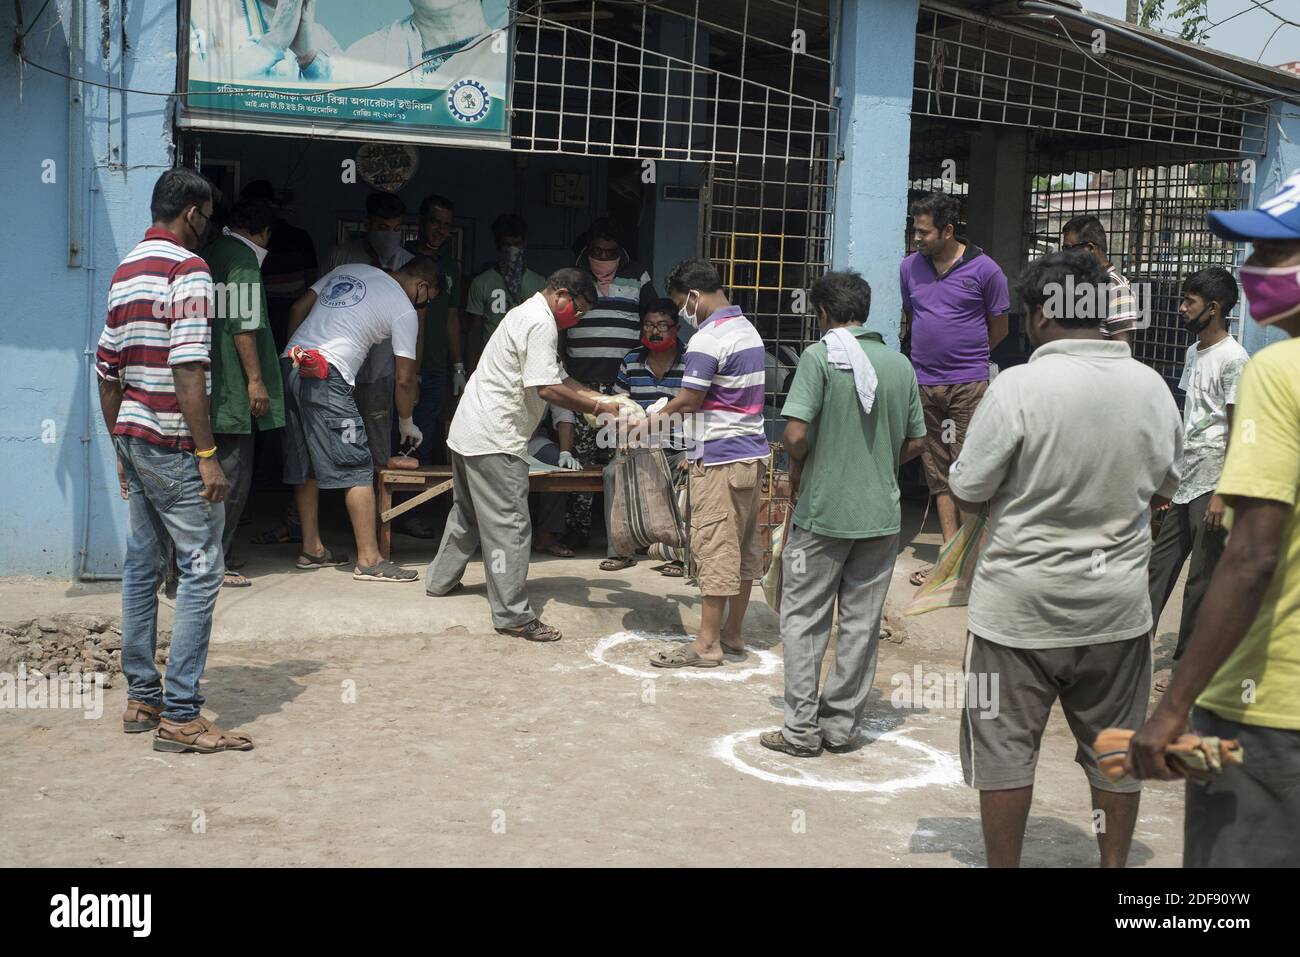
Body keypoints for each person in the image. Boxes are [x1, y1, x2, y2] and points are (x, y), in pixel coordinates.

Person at [947, 249, 1182, 868]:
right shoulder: (1151, 386)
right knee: (1114, 752)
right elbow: (1167, 488)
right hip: (1117, 613)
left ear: (1042, 315)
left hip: (1017, 612)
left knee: (1005, 752)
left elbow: (968, 491)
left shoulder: (1017, 386)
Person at [1127, 172, 1300, 867]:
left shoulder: (1272, 369)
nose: (1254, 270)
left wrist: (1175, 707)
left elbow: (1254, 558)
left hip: (1269, 707)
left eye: (1274, 252)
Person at [95, 168, 253, 754]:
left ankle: (143, 696)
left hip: (136, 439)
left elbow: (106, 372)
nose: (208, 227)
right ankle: (181, 713)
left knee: (141, 565)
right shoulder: (188, 270)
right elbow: (190, 367)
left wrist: (118, 446)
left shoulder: (126, 270)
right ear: (192, 213)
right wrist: (208, 454)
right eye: (208, 216)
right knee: (202, 567)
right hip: (173, 445)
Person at [759, 271, 926, 757]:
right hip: (880, 515)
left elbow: (792, 436)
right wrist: (874, 465)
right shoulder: (898, 364)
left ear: (824, 314)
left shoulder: (819, 357)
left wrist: (817, 464)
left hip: (824, 511)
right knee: (861, 623)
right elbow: (917, 440)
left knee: (805, 619)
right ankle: (839, 727)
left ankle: (801, 731)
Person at [424, 269, 630, 642]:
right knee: (511, 527)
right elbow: (548, 389)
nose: (578, 318)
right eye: (578, 311)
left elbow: (559, 376)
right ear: (562, 295)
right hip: (495, 438)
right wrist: (599, 406)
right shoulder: (542, 323)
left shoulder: (526, 313)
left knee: (467, 515)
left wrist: (601, 400)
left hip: (470, 431)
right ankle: (513, 615)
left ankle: (439, 582)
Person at [281, 257, 443, 583]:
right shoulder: (403, 309)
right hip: (327, 376)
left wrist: (294, 356)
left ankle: (312, 548)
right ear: (423, 287)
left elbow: (298, 308)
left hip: (291, 364)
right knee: (358, 465)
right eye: (428, 298)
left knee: (307, 464)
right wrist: (407, 422)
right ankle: (370, 560)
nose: (424, 304)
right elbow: (404, 378)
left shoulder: (348, 270)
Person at [648, 259, 769, 668]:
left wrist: (645, 423)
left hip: (719, 459)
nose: (683, 313)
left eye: (683, 304)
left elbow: (689, 400)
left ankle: (706, 644)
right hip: (752, 456)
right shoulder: (747, 329)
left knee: (715, 547)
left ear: (695, 296)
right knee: (745, 547)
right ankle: (732, 633)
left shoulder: (707, 338)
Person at [1146, 267, 1248, 691]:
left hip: (1213, 484)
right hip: (1185, 479)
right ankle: (1129, 653)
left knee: (1201, 581)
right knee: (1158, 568)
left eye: (1189, 301)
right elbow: (1191, 417)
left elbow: (1238, 428)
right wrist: (1168, 481)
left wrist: (1225, 492)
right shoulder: (1193, 353)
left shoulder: (1235, 360)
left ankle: (1186, 666)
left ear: (1214, 307)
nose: (1181, 307)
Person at [901, 192, 1009, 583]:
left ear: (948, 231)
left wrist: (965, 362)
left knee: (968, 469)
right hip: (926, 383)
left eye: (924, 231)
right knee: (937, 469)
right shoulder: (909, 268)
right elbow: (914, 317)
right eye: (915, 229)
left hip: (968, 385)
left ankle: (972, 562)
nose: (917, 237)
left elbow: (999, 328)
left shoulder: (986, 270)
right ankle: (949, 558)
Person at [200, 198, 285, 588]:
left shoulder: (213, 250)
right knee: (231, 478)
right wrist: (256, 379)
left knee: (209, 477)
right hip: (234, 386)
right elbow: (243, 324)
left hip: (208, 383)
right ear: (264, 232)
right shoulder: (245, 262)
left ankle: (208, 554)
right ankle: (214, 561)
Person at [561, 217, 655, 549]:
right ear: (587, 250)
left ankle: (628, 532)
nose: (603, 256)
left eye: (609, 251)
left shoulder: (638, 276)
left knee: (625, 459)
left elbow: (651, 319)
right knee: (581, 461)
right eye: (597, 251)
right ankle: (579, 529)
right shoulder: (573, 276)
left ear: (621, 252)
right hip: (581, 386)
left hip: (622, 389)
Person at [600, 298, 689, 573]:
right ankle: (621, 551)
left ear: (676, 328)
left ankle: (678, 555)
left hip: (679, 448)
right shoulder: (632, 361)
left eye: (662, 325)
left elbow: (701, 409)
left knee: (690, 478)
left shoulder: (691, 361)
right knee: (612, 473)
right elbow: (617, 405)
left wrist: (695, 451)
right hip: (639, 447)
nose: (655, 331)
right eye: (649, 324)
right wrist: (622, 438)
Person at [405, 193, 465, 475]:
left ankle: (414, 510)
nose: (441, 230)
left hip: (436, 365)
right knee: (398, 432)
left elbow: (453, 316)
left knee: (425, 435)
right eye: (435, 222)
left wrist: (458, 365)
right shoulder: (404, 257)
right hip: (402, 364)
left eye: (446, 225)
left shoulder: (450, 265)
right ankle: (392, 509)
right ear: (420, 222)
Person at [465, 213, 548, 365]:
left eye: (517, 244)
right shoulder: (482, 283)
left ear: (524, 244)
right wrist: (470, 371)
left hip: (528, 363)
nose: (512, 250)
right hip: (493, 363)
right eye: (506, 245)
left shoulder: (540, 283)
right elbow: (474, 332)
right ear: (497, 245)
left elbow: (547, 328)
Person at [189, 0, 341, 82]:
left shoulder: (319, 35)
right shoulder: (202, 12)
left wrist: (309, 58)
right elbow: (197, 87)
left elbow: (348, 106)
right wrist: (271, 45)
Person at [1061, 214, 1140, 346]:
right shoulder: (1081, 283)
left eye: (1068, 248)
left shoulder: (1116, 288)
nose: (1064, 255)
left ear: (1090, 249)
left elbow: (1121, 350)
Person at [528, 405, 579, 559]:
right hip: (495, 442)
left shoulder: (550, 383)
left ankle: (546, 535)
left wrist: (565, 453)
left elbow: (564, 415)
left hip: (532, 440)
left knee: (559, 464)